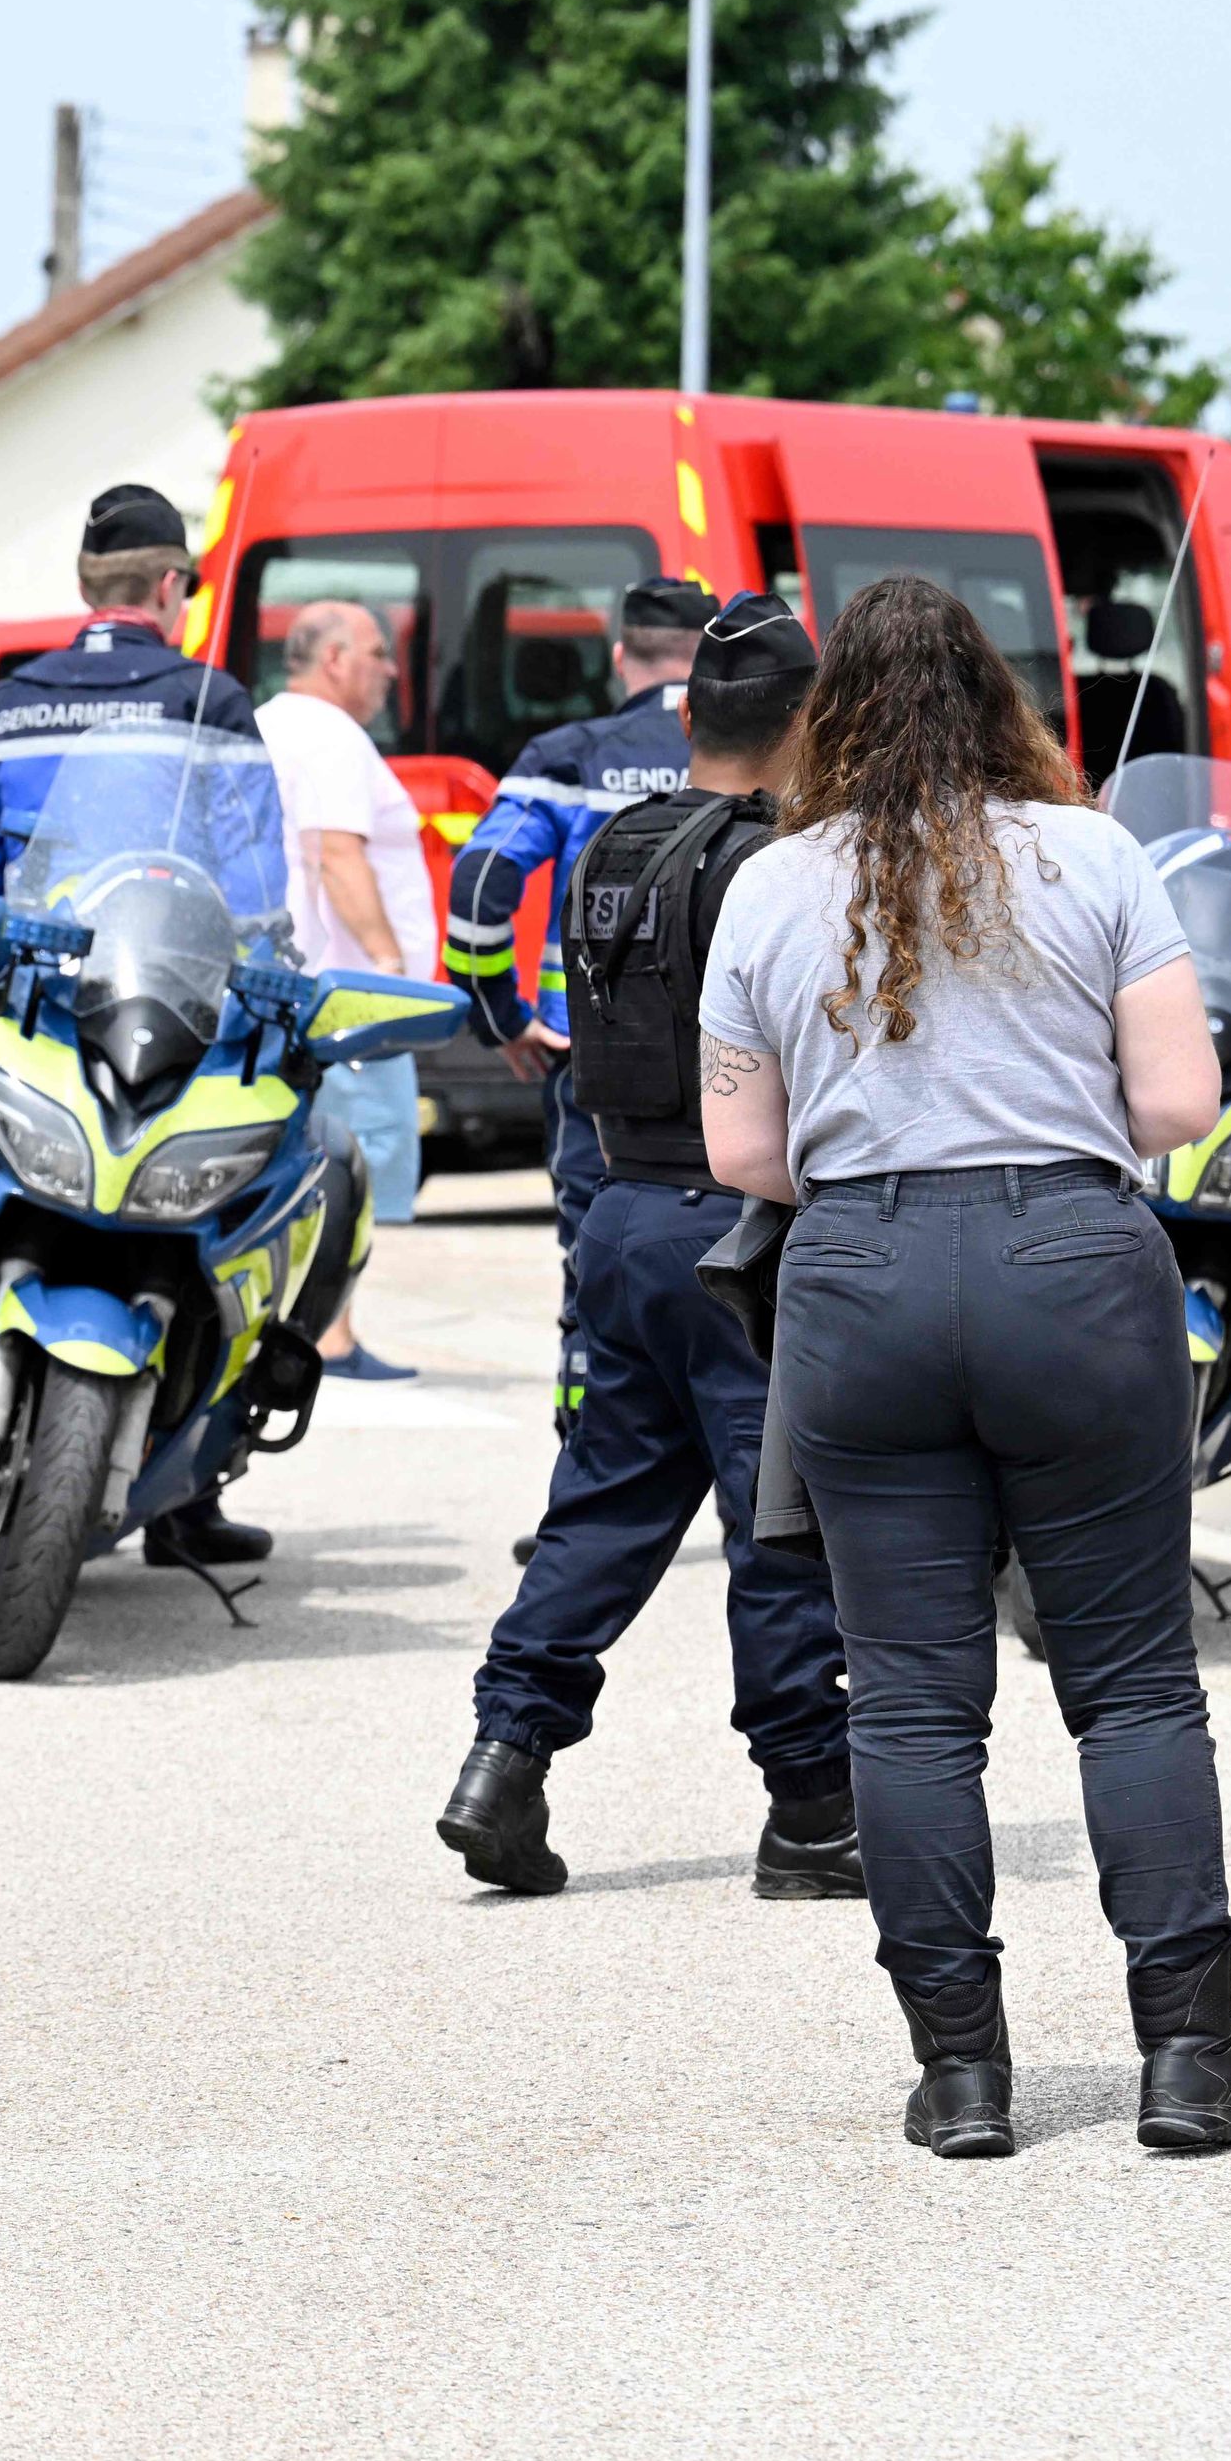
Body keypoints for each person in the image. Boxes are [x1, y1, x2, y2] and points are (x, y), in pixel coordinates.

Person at [698, 572, 1231, 2160]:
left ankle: (962, 2073)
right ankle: (1192, 2055)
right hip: (1071, 1267)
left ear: (832, 715)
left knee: (906, 1703)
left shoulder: (768, 887)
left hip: (861, 1281)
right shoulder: (1098, 852)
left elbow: (739, 1147)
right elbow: (1175, 1102)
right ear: (998, 701)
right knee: (1131, 1685)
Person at [436, 594, 855, 1901]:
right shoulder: (780, 864)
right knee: (784, 1524)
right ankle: (810, 1810)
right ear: (807, 720)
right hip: (739, 1233)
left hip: (616, 1215)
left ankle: (503, 1755)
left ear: (688, 712)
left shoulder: (617, 840)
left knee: (605, 1505)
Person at [0, 482, 282, 1570]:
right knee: (247, 1211)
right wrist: (278, 992)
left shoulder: (0, 708)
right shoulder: (209, 702)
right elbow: (260, 893)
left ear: (84, 584)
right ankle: (191, 1491)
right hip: (174, 1014)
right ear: (173, 586)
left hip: (34, 1021)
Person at [448, 579, 714, 1532]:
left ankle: (585, 1497)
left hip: (600, 1069)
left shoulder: (569, 756)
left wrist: (501, 1014)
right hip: (739, 1066)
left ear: (620, 658)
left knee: (596, 1275)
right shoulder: (745, 746)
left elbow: (480, 878)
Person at [258, 599, 430, 1380]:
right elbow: (337, 853)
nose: (390, 670)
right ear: (333, 658)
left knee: (300, 1159)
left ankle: (297, 1323)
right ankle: (329, 1333)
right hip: (344, 994)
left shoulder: (267, 723)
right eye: (376, 653)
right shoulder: (329, 737)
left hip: (288, 982)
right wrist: (390, 962)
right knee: (349, 1162)